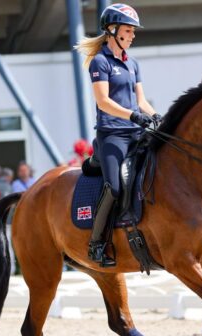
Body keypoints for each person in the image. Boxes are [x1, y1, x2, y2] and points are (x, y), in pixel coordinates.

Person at [75, 3, 160, 266]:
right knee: (114, 187)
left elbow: (141, 101)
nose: (133, 35)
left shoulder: (132, 63)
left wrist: (157, 117)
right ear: (112, 31)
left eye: (133, 31)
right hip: (112, 135)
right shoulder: (100, 62)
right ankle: (97, 243)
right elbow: (103, 102)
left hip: (136, 133)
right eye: (128, 30)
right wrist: (133, 115)